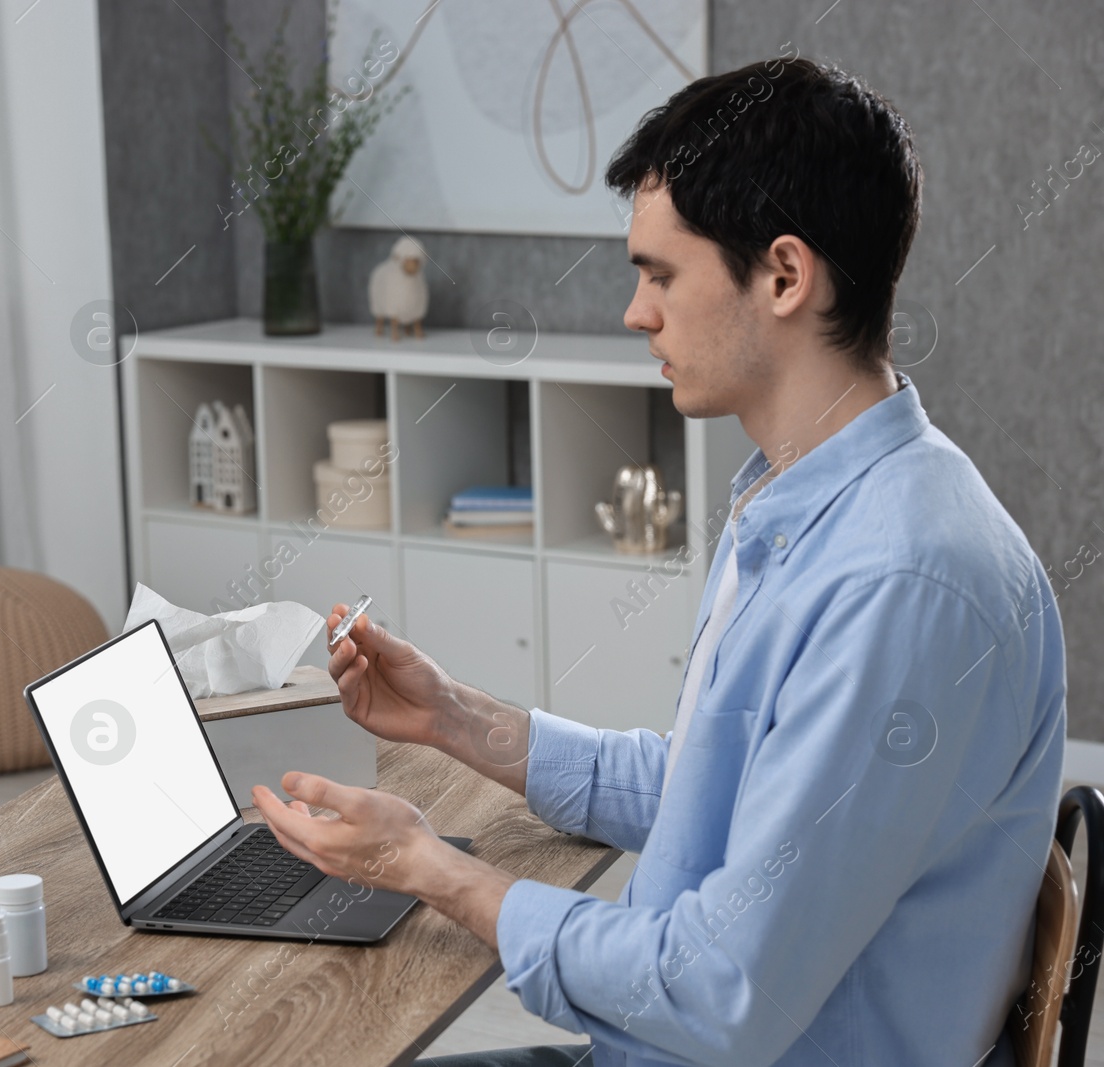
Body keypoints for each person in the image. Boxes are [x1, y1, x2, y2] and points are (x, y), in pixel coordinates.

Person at [250, 54, 1066, 1067]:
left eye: (659, 273)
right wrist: (458, 718)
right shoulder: (798, 499)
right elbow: (713, 794)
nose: (637, 313)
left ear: (782, 274)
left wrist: (430, 867)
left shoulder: (896, 587)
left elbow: (718, 991)